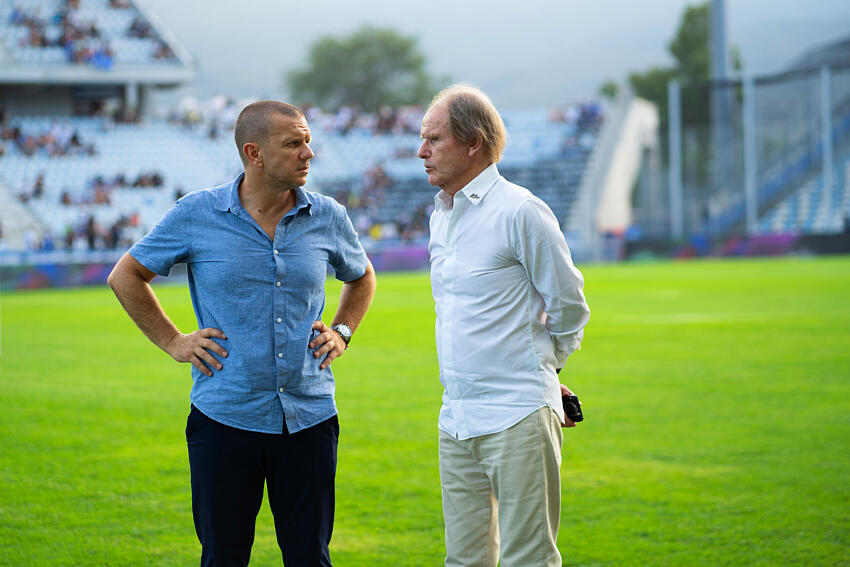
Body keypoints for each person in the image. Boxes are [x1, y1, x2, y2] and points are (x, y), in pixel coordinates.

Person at [107, 100, 376, 566]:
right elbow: (125, 276)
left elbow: (362, 276)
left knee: (310, 557)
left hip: (309, 418)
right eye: (294, 143)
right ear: (254, 153)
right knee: (224, 557)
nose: (309, 152)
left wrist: (343, 331)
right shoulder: (197, 214)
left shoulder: (329, 216)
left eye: (308, 140)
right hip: (224, 419)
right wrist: (174, 341)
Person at [418, 85, 590, 567]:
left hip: (516, 415)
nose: (421, 151)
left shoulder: (520, 210)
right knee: (464, 561)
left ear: (473, 143)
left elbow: (570, 306)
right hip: (455, 419)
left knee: (528, 560)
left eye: (434, 139)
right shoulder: (441, 215)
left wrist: (542, 368)